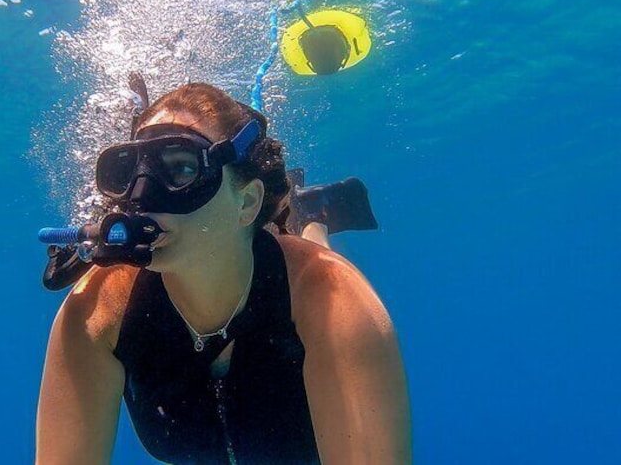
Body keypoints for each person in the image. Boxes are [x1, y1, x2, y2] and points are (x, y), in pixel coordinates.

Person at [36, 82, 411, 464]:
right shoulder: (98, 313)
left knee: (307, 245)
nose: (141, 199)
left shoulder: (333, 299)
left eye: (181, 167)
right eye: (128, 171)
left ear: (247, 202)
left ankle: (307, 214)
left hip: (288, 265)